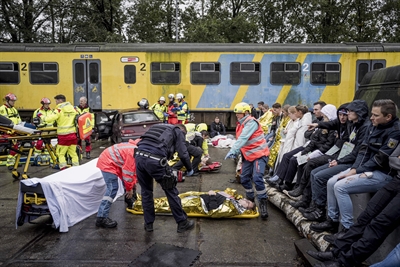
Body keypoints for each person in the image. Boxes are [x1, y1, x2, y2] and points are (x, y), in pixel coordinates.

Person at [307, 99, 400, 242]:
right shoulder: (373, 126)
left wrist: (355, 171)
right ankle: (332, 220)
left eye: (375, 115)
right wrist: (355, 169)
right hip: (364, 168)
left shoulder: (394, 132)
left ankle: (346, 228)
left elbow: (380, 158)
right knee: (332, 182)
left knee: (340, 187)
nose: (371, 118)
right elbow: (363, 151)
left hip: (382, 173)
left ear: (388, 117)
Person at [307, 141, 400, 267]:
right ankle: (336, 252)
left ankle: (344, 263)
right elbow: (393, 159)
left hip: (391, 180)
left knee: (380, 224)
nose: (371, 119)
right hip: (396, 180)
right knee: (365, 216)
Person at [135, 123, 195, 233]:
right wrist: (189, 168)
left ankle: (148, 224)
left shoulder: (156, 127)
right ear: (182, 130)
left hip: (139, 157)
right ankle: (182, 222)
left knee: (146, 192)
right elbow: (183, 153)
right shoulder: (178, 131)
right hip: (155, 160)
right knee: (170, 190)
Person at [267, 104, 337, 192]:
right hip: (311, 147)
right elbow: (307, 135)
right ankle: (282, 180)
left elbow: (325, 143)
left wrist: (311, 144)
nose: (315, 112)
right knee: (287, 156)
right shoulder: (319, 123)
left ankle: (293, 186)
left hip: (318, 150)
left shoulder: (330, 127)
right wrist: (309, 144)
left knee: (296, 160)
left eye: (316, 110)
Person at [224, 102, 270, 219]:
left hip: (259, 155)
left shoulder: (251, 123)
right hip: (248, 156)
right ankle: (250, 199)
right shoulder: (241, 124)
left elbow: (244, 138)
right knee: (244, 178)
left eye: (238, 113)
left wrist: (234, 149)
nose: (237, 115)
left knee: (257, 178)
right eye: (236, 113)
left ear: (246, 112)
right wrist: (238, 152)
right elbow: (242, 140)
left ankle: (263, 203)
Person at [95, 139, 138, 228]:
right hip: (107, 163)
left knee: (129, 182)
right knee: (112, 188)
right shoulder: (133, 153)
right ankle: (101, 217)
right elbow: (128, 173)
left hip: (112, 161)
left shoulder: (136, 148)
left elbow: (133, 172)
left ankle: (129, 200)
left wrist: (133, 184)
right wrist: (129, 189)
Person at [130, 189, 256, 218]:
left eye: (247, 203)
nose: (245, 201)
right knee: (168, 199)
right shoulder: (234, 201)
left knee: (168, 205)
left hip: (199, 203)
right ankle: (140, 200)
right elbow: (228, 193)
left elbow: (213, 211)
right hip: (199, 197)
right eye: (247, 200)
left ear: (245, 209)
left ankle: (137, 205)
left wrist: (212, 196)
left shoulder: (233, 208)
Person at [39, 94, 79, 170]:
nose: (56, 102)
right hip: (73, 135)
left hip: (63, 136)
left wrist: (41, 116)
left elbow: (49, 119)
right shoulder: (74, 109)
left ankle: (63, 169)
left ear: (60, 100)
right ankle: (76, 168)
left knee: (60, 153)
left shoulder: (59, 110)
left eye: (56, 100)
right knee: (73, 153)